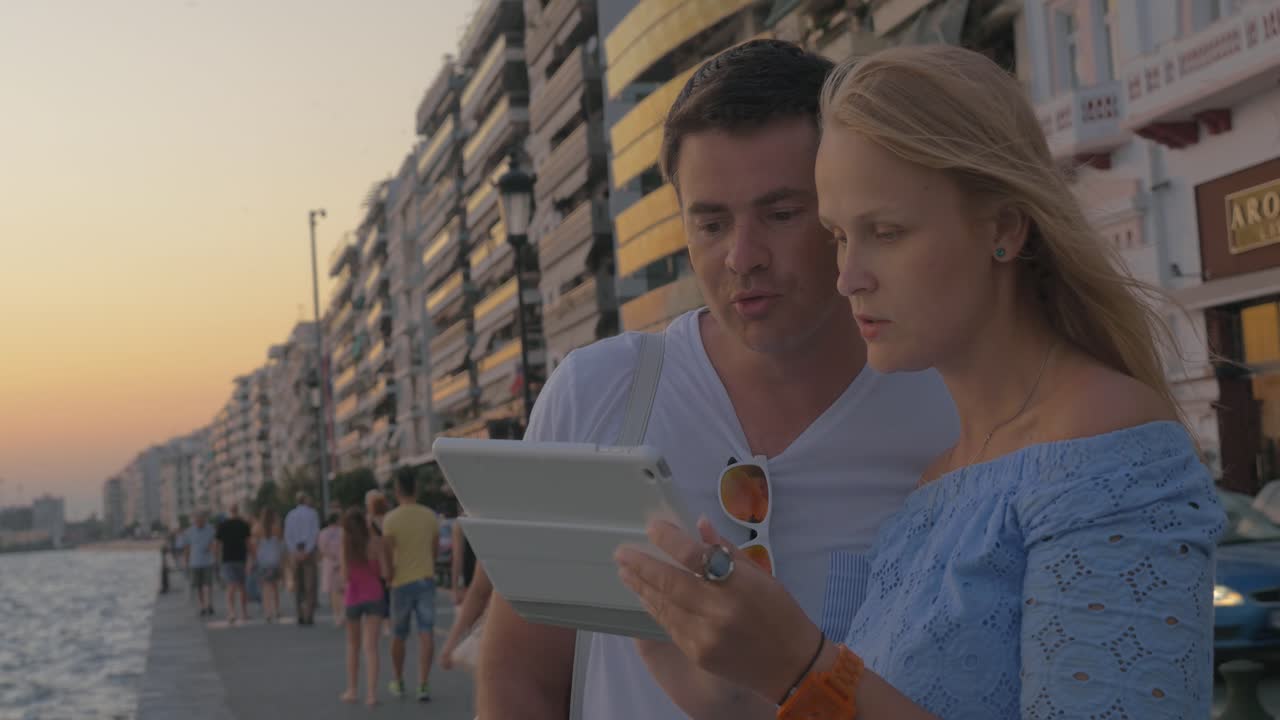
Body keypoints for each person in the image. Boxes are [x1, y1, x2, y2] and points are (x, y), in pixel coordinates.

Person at [613, 44, 1226, 719]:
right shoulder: (936, 483)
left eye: (886, 232)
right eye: (839, 236)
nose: (849, 278)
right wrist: (728, 690)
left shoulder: (1104, 449)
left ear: (1003, 226)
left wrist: (798, 667)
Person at [477, 39, 958, 720]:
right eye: (710, 222)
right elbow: (518, 676)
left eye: (781, 214)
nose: (742, 256)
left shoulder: (946, 406)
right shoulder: (596, 395)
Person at [381, 469, 440, 703]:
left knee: (399, 634)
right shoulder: (430, 516)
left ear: (397, 490)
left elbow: (387, 553)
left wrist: (389, 576)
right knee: (426, 631)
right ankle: (423, 684)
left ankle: (398, 680)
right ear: (416, 488)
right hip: (425, 578)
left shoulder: (390, 519)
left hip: (401, 581)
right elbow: (435, 550)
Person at [339, 507, 390, 707]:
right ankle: (371, 695)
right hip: (374, 595)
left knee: (353, 646)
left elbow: (345, 576)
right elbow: (385, 573)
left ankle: (352, 690)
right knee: (371, 647)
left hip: (353, 596)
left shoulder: (346, 546)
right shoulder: (376, 543)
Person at [284, 492, 321, 625]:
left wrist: (294, 551)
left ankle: (300, 613)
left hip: (295, 551)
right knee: (310, 584)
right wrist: (307, 550)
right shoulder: (312, 513)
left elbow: (288, 535)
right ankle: (309, 614)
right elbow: (314, 533)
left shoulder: (290, 515)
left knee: (298, 585)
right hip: (308, 551)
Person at [215, 503, 251, 624]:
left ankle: (232, 612)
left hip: (227, 559)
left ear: (229, 511)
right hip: (241, 558)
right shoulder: (243, 524)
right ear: (238, 510)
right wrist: (252, 557)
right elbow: (248, 542)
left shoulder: (223, 525)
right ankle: (244, 613)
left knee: (230, 586)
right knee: (242, 586)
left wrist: (217, 558)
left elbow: (218, 544)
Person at [251, 507, 284, 623]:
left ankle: (267, 612)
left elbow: (254, 546)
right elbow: (281, 545)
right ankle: (277, 610)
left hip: (263, 562)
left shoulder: (256, 528)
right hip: (275, 561)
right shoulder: (277, 528)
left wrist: (254, 559)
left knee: (265, 588)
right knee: (275, 587)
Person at [180, 511, 217, 616]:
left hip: (207, 562)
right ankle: (202, 606)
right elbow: (187, 548)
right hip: (194, 563)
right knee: (199, 586)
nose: (199, 521)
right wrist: (186, 562)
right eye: (197, 520)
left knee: (208, 584)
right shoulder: (189, 532)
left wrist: (214, 554)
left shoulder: (210, 529)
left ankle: (209, 604)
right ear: (194, 520)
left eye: (201, 519)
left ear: (204, 519)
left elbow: (214, 544)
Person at [317, 508, 344, 627]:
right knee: (342, 590)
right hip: (342, 562)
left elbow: (322, 549)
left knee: (333, 592)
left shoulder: (323, 533)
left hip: (329, 563)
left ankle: (336, 616)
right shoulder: (343, 532)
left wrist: (332, 557)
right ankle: (343, 614)